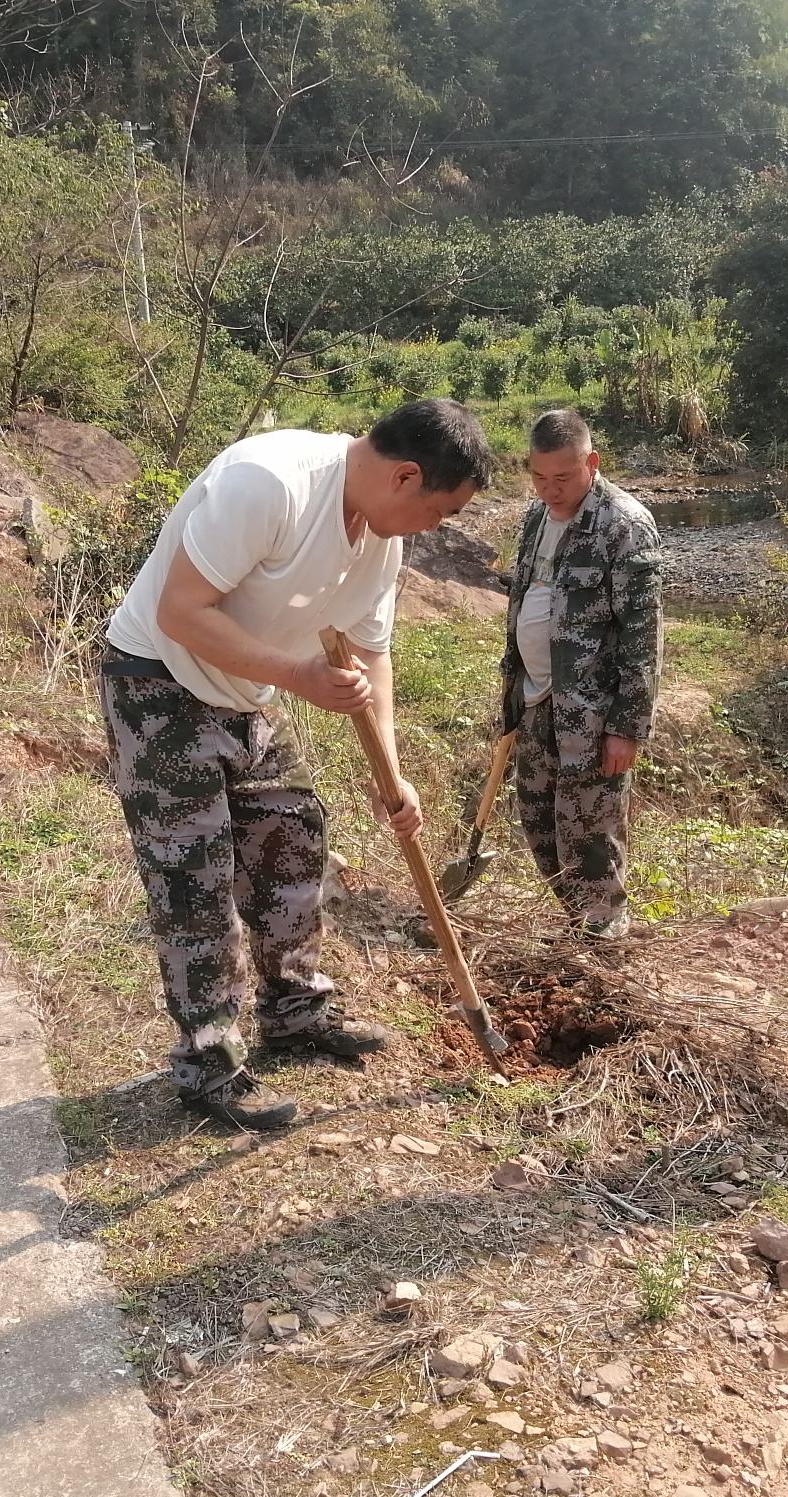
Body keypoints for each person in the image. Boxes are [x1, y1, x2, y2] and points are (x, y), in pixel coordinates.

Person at [102, 399, 496, 1130]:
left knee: (293, 840)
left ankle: (296, 1012)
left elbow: (370, 650)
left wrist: (392, 771)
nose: (436, 528)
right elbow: (182, 613)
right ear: (405, 477)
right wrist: (298, 676)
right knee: (194, 877)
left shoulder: (380, 535)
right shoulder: (269, 482)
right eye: (440, 512)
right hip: (155, 679)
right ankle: (209, 1067)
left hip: (245, 691)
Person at [498, 408, 662, 938]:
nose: (550, 489)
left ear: (592, 462)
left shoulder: (624, 526)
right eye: (539, 477)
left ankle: (604, 943)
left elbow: (643, 634)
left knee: (592, 836)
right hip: (537, 703)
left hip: (591, 716)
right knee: (540, 823)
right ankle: (576, 926)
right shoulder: (537, 517)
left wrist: (628, 726)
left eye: (563, 477)